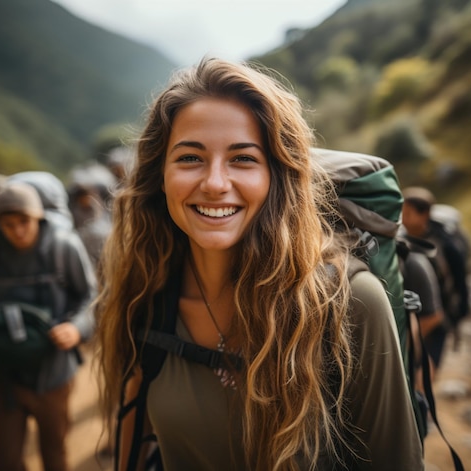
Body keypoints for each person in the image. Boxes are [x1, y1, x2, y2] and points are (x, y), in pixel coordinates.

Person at [96, 57, 424, 471]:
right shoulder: (147, 291)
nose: (215, 183)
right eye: (190, 158)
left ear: (278, 176)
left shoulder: (350, 303)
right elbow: (134, 427)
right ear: (160, 176)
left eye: (244, 159)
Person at [0, 181, 97, 471]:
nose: (18, 231)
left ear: (38, 217)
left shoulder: (63, 247)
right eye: (9, 224)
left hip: (54, 373)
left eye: (24, 221)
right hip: (6, 372)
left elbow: (90, 297)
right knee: (4, 456)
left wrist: (76, 328)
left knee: (54, 452)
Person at [401, 186, 470, 369]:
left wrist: (458, 315)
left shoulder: (446, 246)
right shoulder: (404, 238)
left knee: (427, 367)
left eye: (407, 213)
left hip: (440, 313)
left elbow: (461, 281)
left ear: (424, 215)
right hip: (416, 311)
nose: (402, 218)